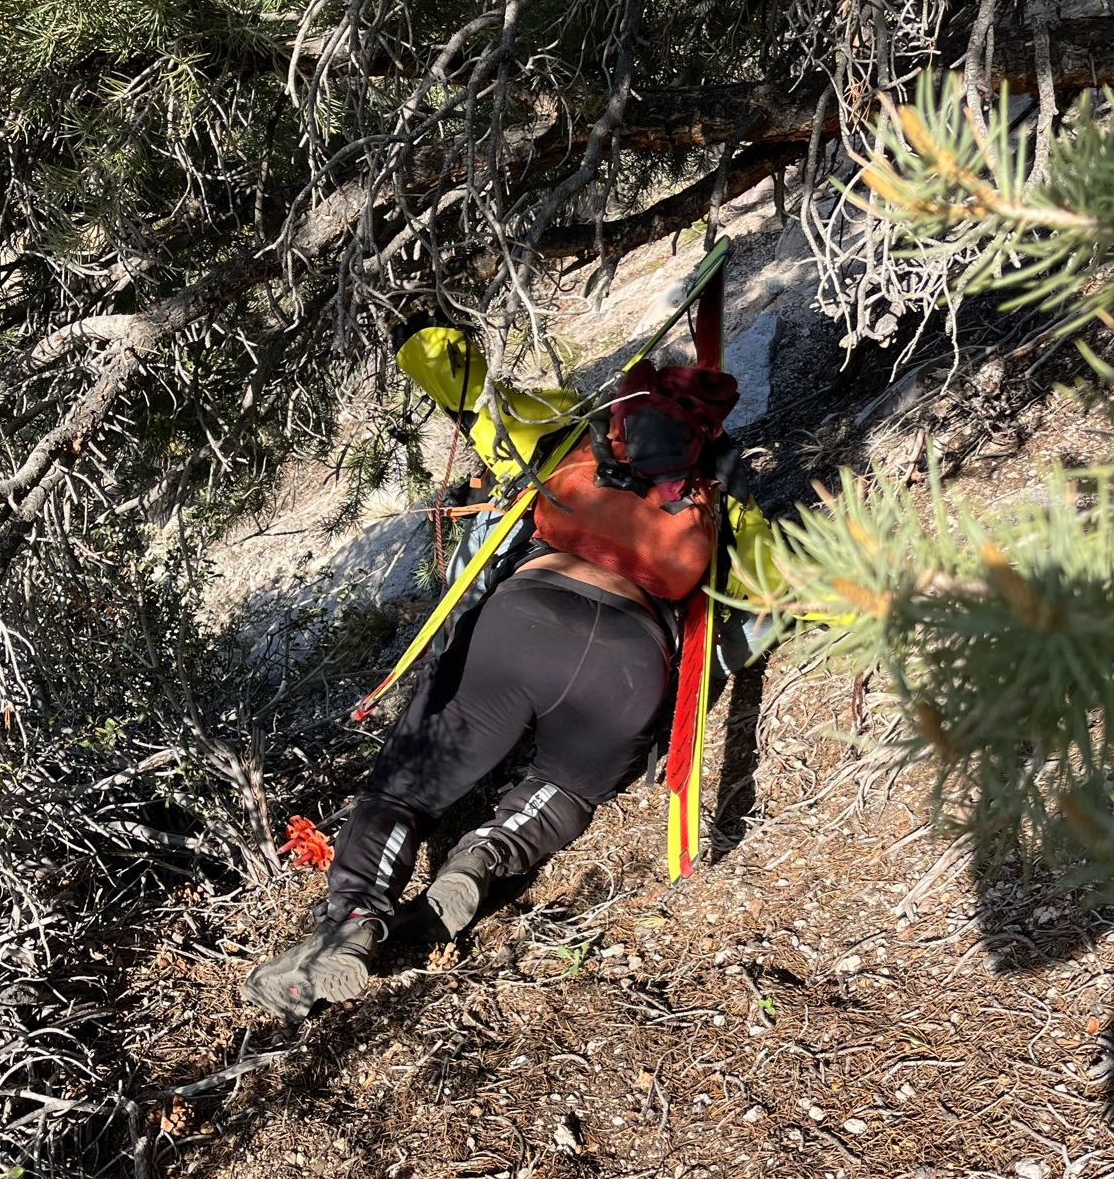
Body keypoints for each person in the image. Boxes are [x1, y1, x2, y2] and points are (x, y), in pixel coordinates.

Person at [243, 316, 776, 1019]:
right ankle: (486, 854)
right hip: (631, 665)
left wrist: (419, 330)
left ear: (626, 412)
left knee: (403, 789)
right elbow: (773, 597)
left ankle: (354, 918)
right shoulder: (721, 487)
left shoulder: (573, 431)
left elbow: (473, 396)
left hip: (525, 619)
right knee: (566, 784)